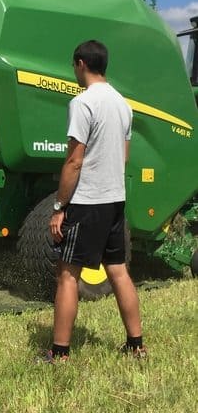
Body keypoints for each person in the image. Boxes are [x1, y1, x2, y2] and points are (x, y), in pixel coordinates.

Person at [45, 40, 145, 363]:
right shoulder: (123, 105)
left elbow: (74, 161)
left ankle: (59, 353)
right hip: (116, 200)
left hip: (87, 203)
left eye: (74, 67)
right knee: (118, 272)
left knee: (67, 274)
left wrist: (59, 207)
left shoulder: (83, 103)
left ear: (80, 64)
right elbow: (125, 157)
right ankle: (136, 345)